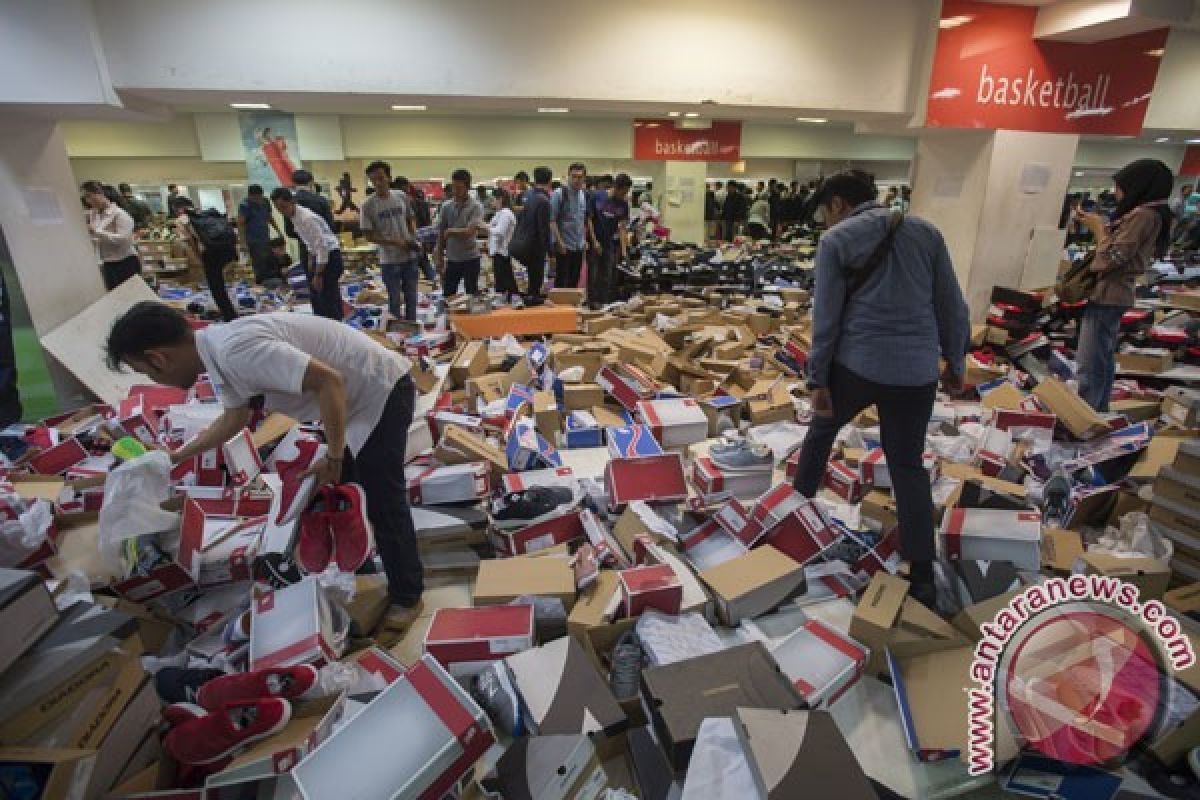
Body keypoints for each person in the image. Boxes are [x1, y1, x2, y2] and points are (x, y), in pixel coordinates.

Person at [104, 302, 424, 626]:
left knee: (383, 498)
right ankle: (366, 575)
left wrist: (335, 455)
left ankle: (408, 597)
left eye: (147, 372)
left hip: (378, 391)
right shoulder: (217, 353)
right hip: (352, 401)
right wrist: (174, 458)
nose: (156, 380)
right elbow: (234, 418)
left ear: (158, 358)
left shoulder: (236, 351)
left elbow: (330, 382)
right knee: (349, 491)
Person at [793, 170, 969, 609]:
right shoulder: (927, 233)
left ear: (837, 204)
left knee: (820, 436)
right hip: (917, 370)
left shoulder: (836, 241)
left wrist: (818, 379)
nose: (826, 219)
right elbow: (952, 302)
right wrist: (956, 359)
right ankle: (923, 575)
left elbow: (826, 317)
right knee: (907, 465)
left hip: (859, 364)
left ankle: (791, 527)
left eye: (825, 210)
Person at [1071, 159, 1174, 412]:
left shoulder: (1143, 216)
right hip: (1116, 294)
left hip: (1109, 294)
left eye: (1119, 187)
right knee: (1102, 359)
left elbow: (1111, 259)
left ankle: (1086, 415)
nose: (1116, 193)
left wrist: (1098, 230)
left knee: (1090, 361)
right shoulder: (1148, 215)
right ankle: (1097, 411)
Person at [272, 188, 344, 320]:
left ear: (292, 202)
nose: (282, 211)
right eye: (278, 209)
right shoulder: (294, 216)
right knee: (316, 296)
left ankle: (335, 329)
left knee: (327, 297)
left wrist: (318, 274)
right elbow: (309, 242)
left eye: (283, 207)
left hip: (330, 256)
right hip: (318, 255)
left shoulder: (307, 218)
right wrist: (311, 259)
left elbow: (323, 247)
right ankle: (321, 327)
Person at [361, 161, 420, 323]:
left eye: (381, 178)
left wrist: (413, 236)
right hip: (389, 260)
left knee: (412, 298)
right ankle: (397, 334)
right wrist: (394, 242)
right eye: (373, 180)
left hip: (409, 256)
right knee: (394, 300)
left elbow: (410, 218)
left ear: (389, 178)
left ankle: (412, 329)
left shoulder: (401, 196)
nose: (378, 183)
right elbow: (369, 235)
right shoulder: (367, 205)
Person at [82, 180, 142, 290]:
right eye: (86, 197)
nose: (88, 200)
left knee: (131, 296)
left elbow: (122, 239)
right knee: (115, 297)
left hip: (125, 262)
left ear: (100, 193)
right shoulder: (94, 214)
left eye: (90, 196)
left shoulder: (120, 214)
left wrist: (96, 231)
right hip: (108, 263)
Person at [435, 169, 485, 296]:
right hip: (452, 259)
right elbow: (441, 234)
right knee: (448, 294)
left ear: (467, 187)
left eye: (459, 187)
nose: (455, 191)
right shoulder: (446, 206)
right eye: (453, 187)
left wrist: (451, 231)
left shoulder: (476, 207)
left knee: (471, 296)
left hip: (471, 258)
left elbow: (470, 231)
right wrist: (439, 256)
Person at [586, 172, 632, 309]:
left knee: (607, 275)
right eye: (623, 192)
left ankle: (604, 303)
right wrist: (594, 241)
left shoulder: (623, 205)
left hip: (609, 243)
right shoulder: (597, 196)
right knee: (593, 274)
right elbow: (589, 220)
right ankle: (592, 303)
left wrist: (624, 251)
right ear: (616, 187)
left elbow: (622, 228)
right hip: (595, 241)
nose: (624, 195)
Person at [510, 166, 554, 300]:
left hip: (518, 245)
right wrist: (550, 253)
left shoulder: (528, 195)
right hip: (533, 248)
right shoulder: (544, 201)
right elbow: (544, 230)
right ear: (550, 181)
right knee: (535, 287)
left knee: (525, 286)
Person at [549, 162, 589, 291]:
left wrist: (583, 241)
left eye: (580, 177)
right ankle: (560, 310)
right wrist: (559, 243)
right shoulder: (559, 194)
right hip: (564, 247)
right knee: (562, 283)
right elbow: (551, 220)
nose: (577, 180)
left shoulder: (582, 195)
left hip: (578, 247)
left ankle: (570, 309)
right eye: (574, 176)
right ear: (568, 176)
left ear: (584, 178)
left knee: (574, 282)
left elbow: (581, 220)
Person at [285, 169, 335, 267]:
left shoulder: (290, 203)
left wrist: (306, 238)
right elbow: (331, 227)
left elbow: (289, 231)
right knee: (329, 279)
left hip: (305, 249)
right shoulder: (321, 201)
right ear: (311, 182)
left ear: (293, 183)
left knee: (310, 277)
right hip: (326, 248)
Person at [238, 185, 284, 288]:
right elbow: (241, 224)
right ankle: (261, 284)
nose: (258, 200)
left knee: (269, 259)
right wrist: (243, 242)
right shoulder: (244, 205)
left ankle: (271, 282)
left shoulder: (265, 202)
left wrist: (278, 230)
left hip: (265, 236)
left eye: (259, 197)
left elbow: (269, 217)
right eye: (255, 198)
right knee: (258, 263)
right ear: (249, 195)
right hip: (253, 239)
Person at [488, 189, 518, 301]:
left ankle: (507, 297)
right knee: (503, 277)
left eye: (493, 200)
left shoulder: (506, 213)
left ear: (500, 199)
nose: (492, 202)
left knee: (504, 278)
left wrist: (485, 227)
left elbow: (500, 231)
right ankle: (508, 297)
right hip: (498, 251)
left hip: (502, 251)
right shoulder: (499, 213)